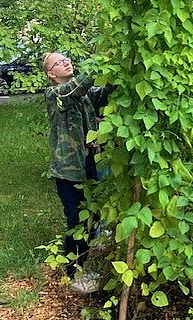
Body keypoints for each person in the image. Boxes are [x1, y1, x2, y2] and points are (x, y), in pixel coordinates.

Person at [42, 52, 115, 294]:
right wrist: (100, 64)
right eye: (59, 62)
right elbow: (76, 89)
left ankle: (79, 264)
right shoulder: (55, 95)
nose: (66, 62)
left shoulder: (84, 97)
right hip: (68, 171)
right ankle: (73, 273)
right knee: (76, 220)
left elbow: (104, 93)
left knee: (92, 217)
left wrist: (118, 69)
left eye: (66, 59)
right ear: (51, 74)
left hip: (89, 166)